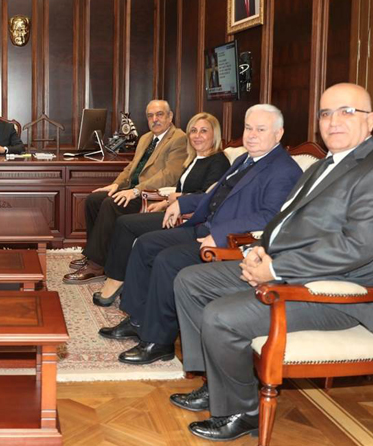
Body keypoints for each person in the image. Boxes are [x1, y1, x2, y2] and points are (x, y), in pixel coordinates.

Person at [171, 83, 373, 442]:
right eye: (326, 113)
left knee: (220, 316)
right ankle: (215, 384)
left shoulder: (368, 170)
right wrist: (258, 252)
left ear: (369, 121)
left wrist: (276, 269)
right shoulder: (323, 166)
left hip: (339, 292)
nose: (333, 121)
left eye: (347, 112)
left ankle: (242, 412)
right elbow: (281, 221)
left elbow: (355, 247)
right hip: (288, 268)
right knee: (190, 281)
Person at [98, 104, 303, 367]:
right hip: (204, 227)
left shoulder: (283, 170)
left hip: (229, 242)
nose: (251, 135)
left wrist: (220, 234)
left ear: (278, 133)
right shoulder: (244, 160)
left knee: (166, 259)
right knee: (145, 244)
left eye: (260, 129)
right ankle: (138, 320)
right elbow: (214, 195)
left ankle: (158, 342)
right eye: (248, 128)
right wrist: (181, 204)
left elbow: (269, 216)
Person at [92, 112, 230, 306]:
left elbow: (209, 197)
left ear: (214, 135)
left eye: (203, 131)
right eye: (193, 131)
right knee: (123, 221)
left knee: (126, 224)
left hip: (190, 219)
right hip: (174, 211)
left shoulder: (218, 161)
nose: (197, 135)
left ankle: (116, 280)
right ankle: (119, 279)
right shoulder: (194, 158)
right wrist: (165, 203)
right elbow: (184, 190)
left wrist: (176, 199)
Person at [64, 99, 188, 284]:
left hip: (150, 195)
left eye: (159, 114)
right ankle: (95, 254)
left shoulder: (179, 138)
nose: (155, 119)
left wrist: (136, 191)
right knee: (94, 199)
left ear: (170, 117)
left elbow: (169, 175)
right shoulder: (146, 138)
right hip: (132, 189)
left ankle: (97, 265)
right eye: (150, 116)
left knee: (111, 204)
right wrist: (116, 185)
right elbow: (131, 167)